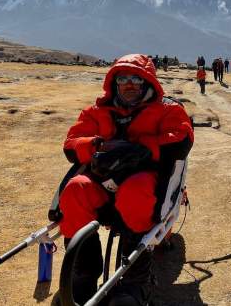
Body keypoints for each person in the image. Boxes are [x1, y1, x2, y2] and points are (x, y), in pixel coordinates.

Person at [59, 54, 194, 305]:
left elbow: (181, 139)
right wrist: (97, 146)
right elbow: (71, 145)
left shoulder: (168, 109)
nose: (129, 84)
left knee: (135, 190)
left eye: (136, 78)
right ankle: (84, 273)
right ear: (114, 82)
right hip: (103, 184)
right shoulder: (97, 111)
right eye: (123, 78)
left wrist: (142, 150)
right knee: (76, 189)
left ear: (148, 82)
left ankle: (135, 282)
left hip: (144, 185)